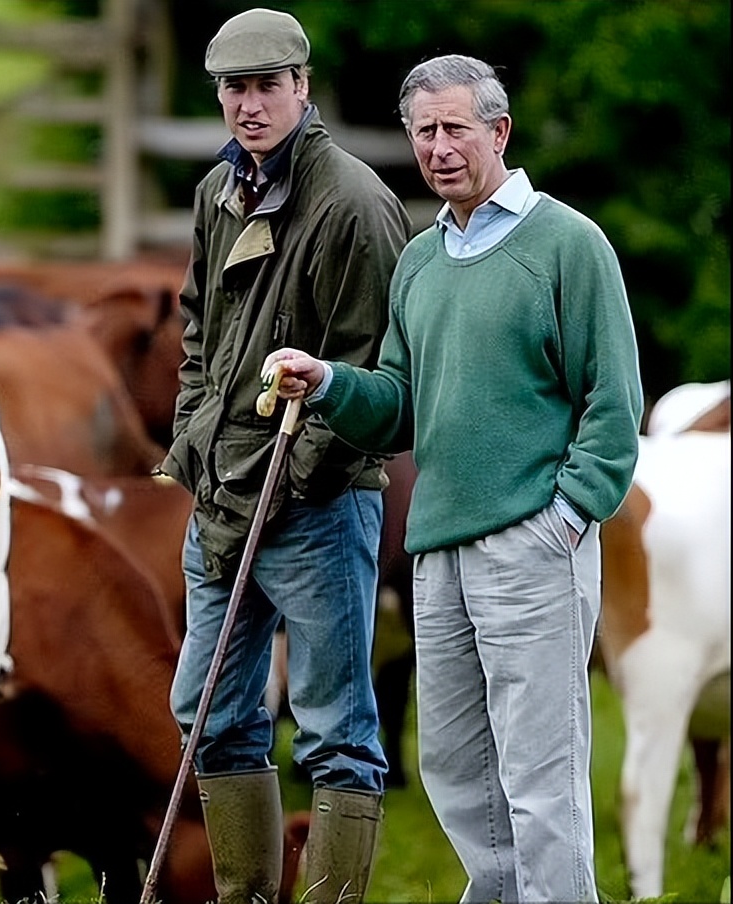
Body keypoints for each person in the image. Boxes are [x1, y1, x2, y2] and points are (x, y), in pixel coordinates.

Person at [263, 54, 643, 903]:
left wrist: (566, 517)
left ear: (498, 132)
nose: (438, 148)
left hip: (534, 543)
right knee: (456, 770)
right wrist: (328, 383)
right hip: (437, 554)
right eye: (423, 131)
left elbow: (614, 406)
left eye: (455, 129)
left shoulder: (567, 243)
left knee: (542, 777)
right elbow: (399, 408)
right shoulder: (421, 263)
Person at [156, 8, 411, 902]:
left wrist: (294, 480)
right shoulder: (215, 195)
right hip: (222, 495)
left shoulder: (354, 203)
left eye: (268, 86)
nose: (250, 105)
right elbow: (197, 332)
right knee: (210, 714)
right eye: (235, 88)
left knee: (336, 730)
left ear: (302, 87)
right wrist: (196, 434)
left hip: (321, 506)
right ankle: (248, 897)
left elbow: (378, 373)